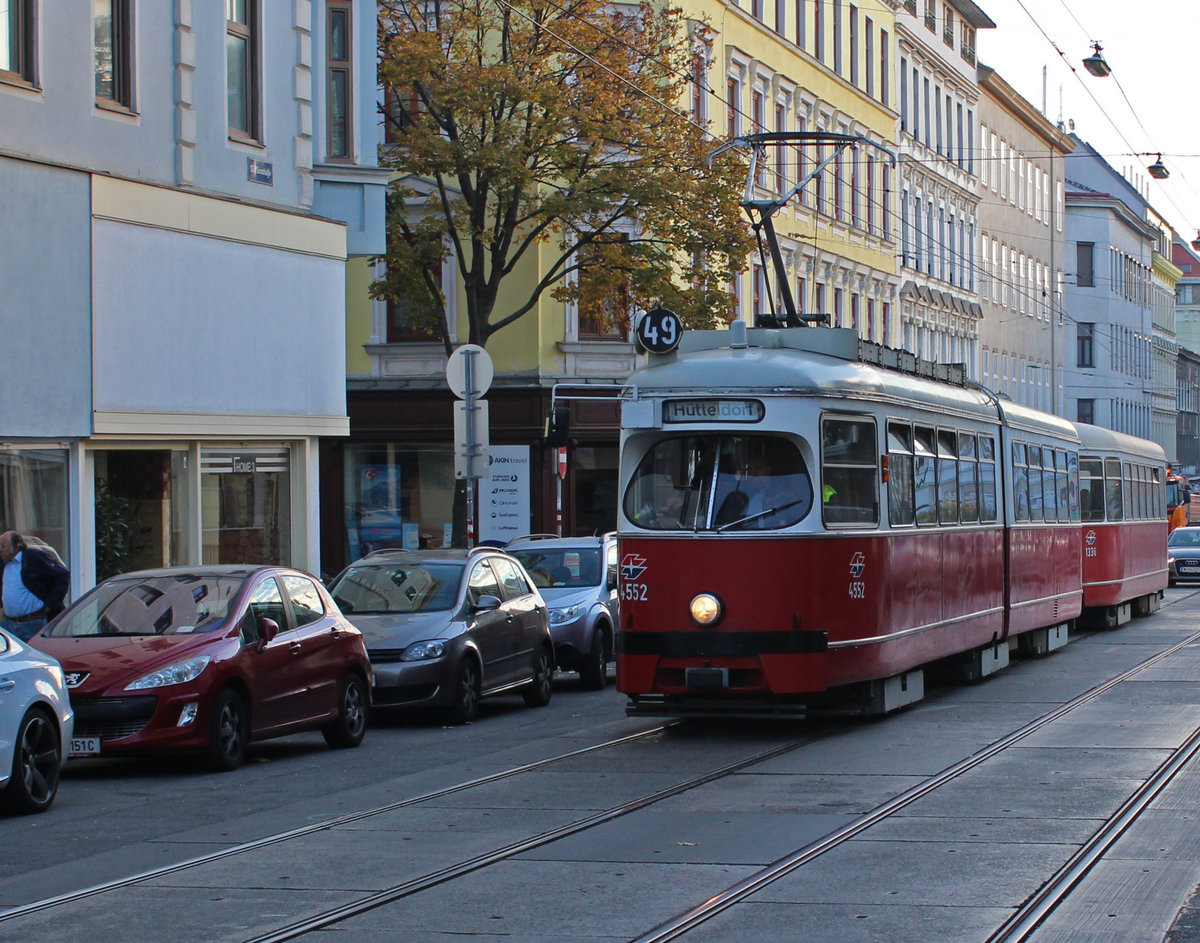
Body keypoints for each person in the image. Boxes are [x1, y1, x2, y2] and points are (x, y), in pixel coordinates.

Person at [0, 530, 70, 641]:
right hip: (9, 623)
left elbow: (62, 574)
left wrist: (52, 604)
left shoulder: (33, 557)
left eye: (3, 546)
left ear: (16, 546)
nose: (0, 549)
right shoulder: (4, 563)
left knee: (34, 655)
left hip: (32, 623)